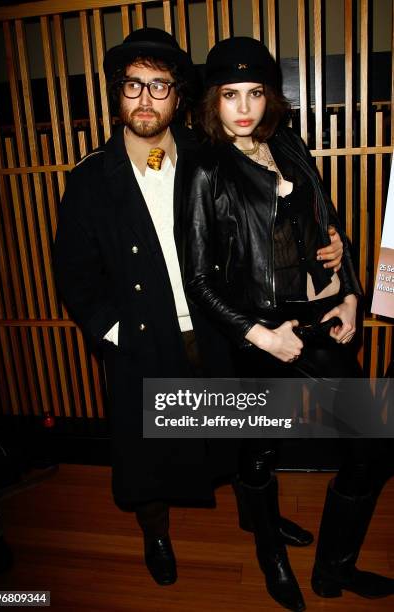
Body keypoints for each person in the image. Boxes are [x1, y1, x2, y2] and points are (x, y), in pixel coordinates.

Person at [53, 28, 343, 588]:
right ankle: (156, 536)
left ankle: (254, 516)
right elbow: (74, 271)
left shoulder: (211, 156)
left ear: (179, 96)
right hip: (144, 336)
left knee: (237, 435)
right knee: (147, 458)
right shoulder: (91, 177)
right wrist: (112, 332)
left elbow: (273, 221)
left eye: (158, 86)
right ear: (117, 94)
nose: (144, 98)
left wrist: (331, 248)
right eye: (132, 85)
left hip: (220, 325)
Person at [185, 36, 394, 611]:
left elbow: (329, 231)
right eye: (231, 94)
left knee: (372, 445)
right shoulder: (205, 168)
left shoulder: (288, 145)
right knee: (258, 449)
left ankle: (333, 570)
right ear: (213, 100)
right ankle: (271, 555)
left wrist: (348, 293)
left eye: (255, 93)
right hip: (256, 329)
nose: (245, 107)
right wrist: (260, 335)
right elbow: (198, 280)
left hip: (315, 317)